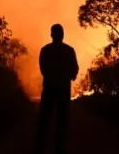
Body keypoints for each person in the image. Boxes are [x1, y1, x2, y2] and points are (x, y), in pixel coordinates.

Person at [33, 23, 79, 154]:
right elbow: (75, 68)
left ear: (51, 35)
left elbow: (43, 68)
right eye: (60, 33)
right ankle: (59, 147)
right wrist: (69, 76)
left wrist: (52, 76)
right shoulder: (69, 50)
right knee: (61, 121)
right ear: (61, 35)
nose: (60, 35)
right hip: (63, 89)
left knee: (44, 120)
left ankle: (40, 147)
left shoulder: (45, 50)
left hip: (49, 88)